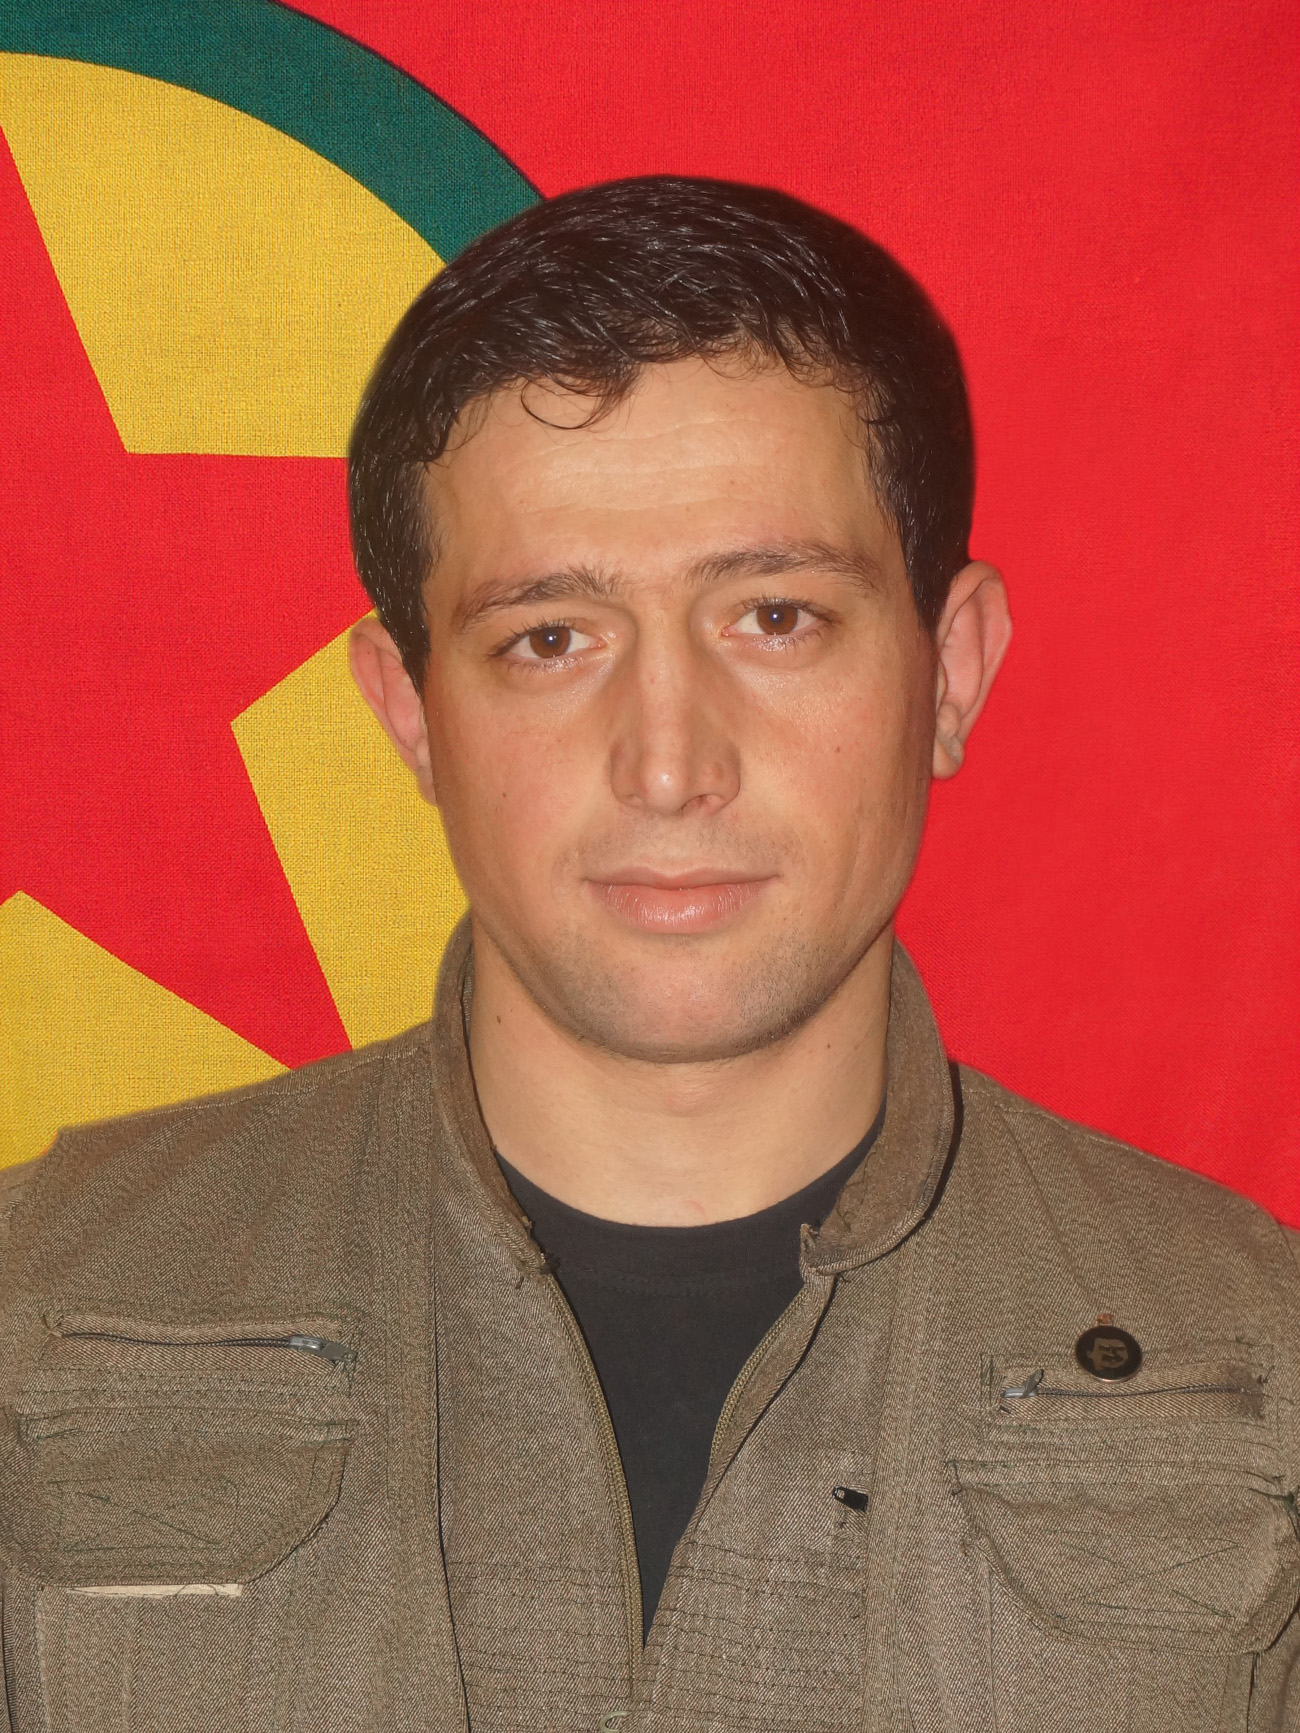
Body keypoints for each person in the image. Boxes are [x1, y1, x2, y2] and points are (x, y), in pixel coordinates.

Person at [0, 176, 1296, 1733]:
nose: (670, 765)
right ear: (411, 713)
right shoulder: (38, 1305)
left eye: (776, 616)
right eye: (550, 638)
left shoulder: (1265, 1362)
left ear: (950, 671)